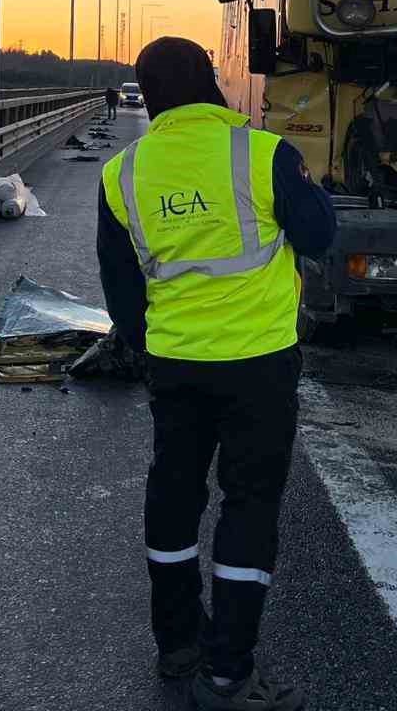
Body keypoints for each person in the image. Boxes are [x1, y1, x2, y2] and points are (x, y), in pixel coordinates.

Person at [96, 37, 336, 711]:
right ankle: (230, 672)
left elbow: (119, 289)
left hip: (175, 364)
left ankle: (177, 645)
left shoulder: (123, 173)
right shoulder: (262, 153)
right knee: (249, 505)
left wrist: (151, 348)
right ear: (210, 81)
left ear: (144, 93)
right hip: (258, 363)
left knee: (174, 494)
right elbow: (318, 237)